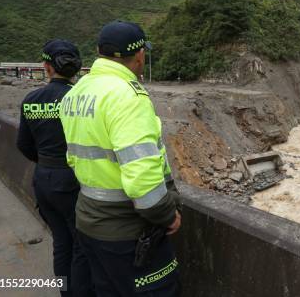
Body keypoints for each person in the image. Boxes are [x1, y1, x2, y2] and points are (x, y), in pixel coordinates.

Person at [60, 20, 181, 296]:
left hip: (88, 221)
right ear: (140, 55)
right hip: (127, 232)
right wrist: (168, 216)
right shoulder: (128, 96)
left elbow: (73, 157)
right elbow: (142, 182)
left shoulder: (76, 92)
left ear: (99, 52)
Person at [16, 39, 95, 297]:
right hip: (72, 181)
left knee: (61, 243)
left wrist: (45, 162)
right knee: (81, 245)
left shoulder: (31, 99)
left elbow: (23, 145)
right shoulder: (80, 100)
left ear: (46, 67)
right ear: (77, 67)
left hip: (44, 179)